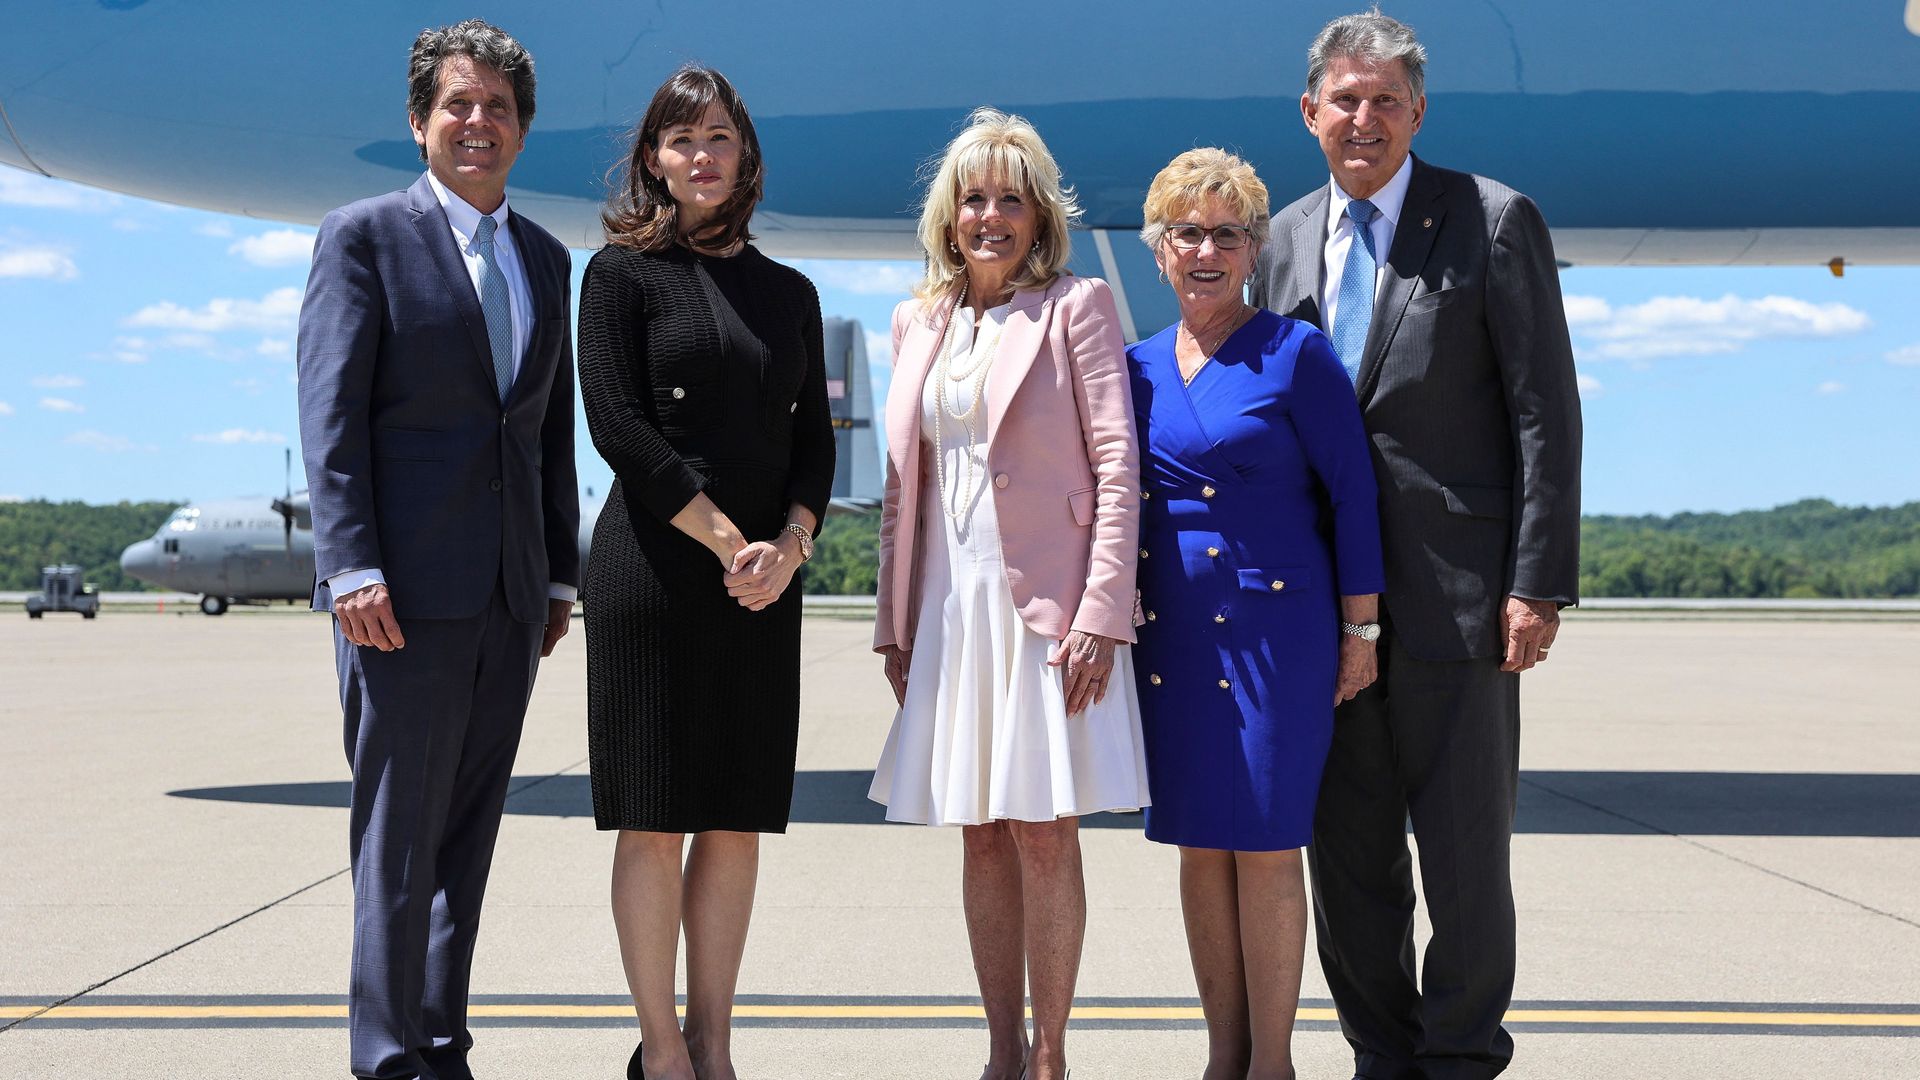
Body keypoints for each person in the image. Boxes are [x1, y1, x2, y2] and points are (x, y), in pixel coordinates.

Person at [1251, 12, 1584, 1079]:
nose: (1365, 119)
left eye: (1387, 100)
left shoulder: (1490, 221)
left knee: (1466, 862)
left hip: (1460, 600)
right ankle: (1381, 1057)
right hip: (1320, 610)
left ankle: (1460, 1058)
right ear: (1310, 114)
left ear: (1418, 113)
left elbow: (1546, 414)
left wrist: (1537, 583)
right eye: (1345, 100)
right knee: (1347, 865)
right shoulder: (1283, 237)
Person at [296, 19, 579, 1080]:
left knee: (466, 836)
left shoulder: (545, 258)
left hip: (509, 599)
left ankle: (440, 1042)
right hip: (398, 595)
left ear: (520, 130)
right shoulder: (363, 237)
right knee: (397, 838)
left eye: (498, 108)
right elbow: (331, 416)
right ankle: (385, 1054)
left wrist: (555, 570)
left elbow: (546, 429)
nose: (478, 123)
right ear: (420, 122)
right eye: (458, 105)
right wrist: (349, 565)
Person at [866, 107, 1149, 1080]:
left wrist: (1101, 614)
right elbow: (903, 486)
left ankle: (1052, 1055)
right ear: (949, 216)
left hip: (1048, 612)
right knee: (979, 836)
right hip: (948, 609)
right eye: (974, 199)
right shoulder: (917, 322)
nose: (991, 216)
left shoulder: (1077, 308)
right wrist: (894, 625)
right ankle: (998, 1049)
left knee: (1042, 830)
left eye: (1011, 201)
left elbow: (1118, 466)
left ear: (1038, 219)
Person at [576, 65, 835, 1080]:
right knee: (654, 816)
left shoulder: (791, 294)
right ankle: (665, 1049)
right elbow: (621, 431)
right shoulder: (619, 277)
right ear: (652, 160)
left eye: (719, 137)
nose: (702, 156)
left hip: (767, 583)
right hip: (655, 572)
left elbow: (814, 438)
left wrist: (794, 545)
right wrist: (734, 544)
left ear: (746, 154)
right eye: (681, 141)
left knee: (735, 818)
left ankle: (717, 1046)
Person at [1128, 148, 1385, 1080]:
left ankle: (1271, 1063)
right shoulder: (1134, 366)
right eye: (1186, 233)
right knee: (1200, 842)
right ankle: (1222, 1056)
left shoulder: (1296, 352)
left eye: (1225, 235)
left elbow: (1353, 497)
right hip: (1178, 639)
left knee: (1270, 843)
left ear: (1255, 248)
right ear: (1159, 250)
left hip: (1281, 638)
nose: (1205, 250)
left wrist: (1362, 632)